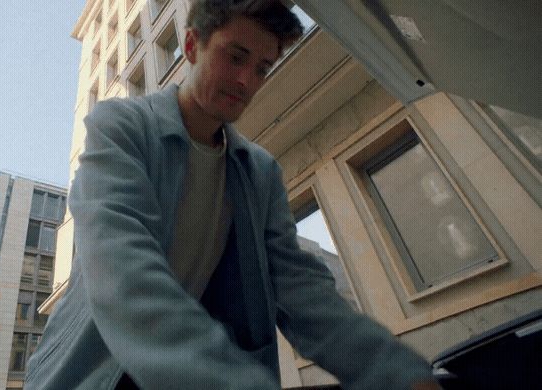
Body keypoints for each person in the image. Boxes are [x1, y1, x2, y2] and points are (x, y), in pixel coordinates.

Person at [26, 1, 438, 389]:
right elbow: (122, 271)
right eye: (235, 57)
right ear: (190, 45)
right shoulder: (122, 127)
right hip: (91, 373)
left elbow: (303, 293)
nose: (247, 81)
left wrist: (398, 373)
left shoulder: (260, 173)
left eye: (262, 67)